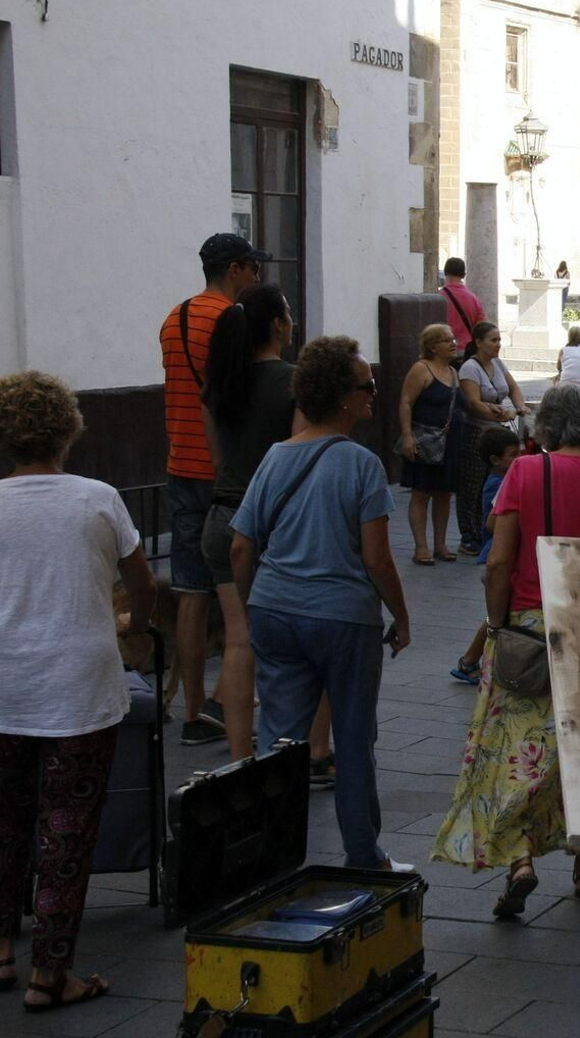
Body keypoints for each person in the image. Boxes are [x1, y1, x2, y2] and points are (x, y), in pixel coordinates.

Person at [431, 385, 580, 911]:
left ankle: (521, 860)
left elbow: (497, 562)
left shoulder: (526, 472)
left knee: (518, 749)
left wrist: (495, 623)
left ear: (546, 430)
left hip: (530, 631)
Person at [0, 371, 156, 1013]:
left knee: (5, 820)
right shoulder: (97, 498)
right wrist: (136, 625)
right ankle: (51, 975)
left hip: (6, 683)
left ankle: (2, 948)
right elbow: (142, 585)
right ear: (69, 429)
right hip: (80, 683)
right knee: (65, 829)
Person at [230, 336, 411, 871]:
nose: (374, 396)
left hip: (275, 611)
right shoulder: (361, 465)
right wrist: (401, 616)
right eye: (367, 387)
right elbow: (377, 559)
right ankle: (363, 855)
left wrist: (251, 604)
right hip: (343, 618)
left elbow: (242, 544)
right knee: (353, 737)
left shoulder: (276, 457)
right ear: (342, 398)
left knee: (278, 742)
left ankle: (271, 857)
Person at [199, 283, 329, 765]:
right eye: (289, 313)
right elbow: (298, 455)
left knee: (239, 641)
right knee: (311, 642)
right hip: (274, 524)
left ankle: (239, 757)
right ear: (277, 323)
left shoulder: (217, 385)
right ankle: (314, 750)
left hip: (221, 515)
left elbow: (218, 460)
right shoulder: (293, 382)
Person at [160, 232, 267, 747]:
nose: (257, 277)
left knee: (189, 591)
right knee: (236, 590)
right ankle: (230, 698)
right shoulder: (232, 322)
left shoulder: (174, 319)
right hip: (224, 471)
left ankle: (191, 711)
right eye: (253, 268)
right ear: (234, 270)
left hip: (181, 461)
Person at [450, 427, 522, 686]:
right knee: (498, 616)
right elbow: (493, 523)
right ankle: (471, 661)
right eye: (513, 454)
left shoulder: (502, 480)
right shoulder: (499, 484)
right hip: (495, 559)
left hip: (495, 559)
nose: (520, 457)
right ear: (495, 460)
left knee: (499, 615)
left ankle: (471, 662)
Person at [457, 322, 527, 556]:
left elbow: (513, 387)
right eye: (493, 340)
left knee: (496, 482)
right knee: (472, 485)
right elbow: (474, 403)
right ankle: (469, 535)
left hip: (498, 430)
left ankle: (490, 530)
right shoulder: (469, 368)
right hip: (477, 431)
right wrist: (500, 412)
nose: (498, 344)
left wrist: (520, 407)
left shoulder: (498, 363)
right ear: (478, 342)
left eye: (499, 340)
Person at [398, 324, 465, 564]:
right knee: (421, 493)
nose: (453, 343)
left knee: (444, 494)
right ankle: (421, 547)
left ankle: (440, 544)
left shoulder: (453, 372)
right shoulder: (421, 369)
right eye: (446, 340)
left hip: (449, 443)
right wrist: (407, 436)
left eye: (453, 338)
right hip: (425, 441)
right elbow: (405, 402)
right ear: (432, 346)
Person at [439, 256, 485, 352]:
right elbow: (481, 328)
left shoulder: (438, 298)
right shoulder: (474, 299)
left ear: (445, 272)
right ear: (464, 275)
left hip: (444, 350)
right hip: (467, 350)